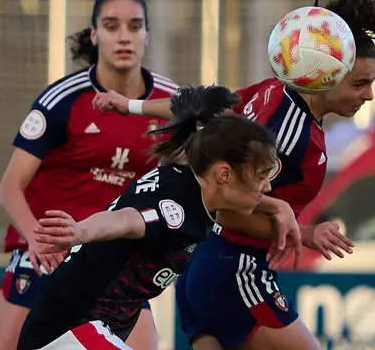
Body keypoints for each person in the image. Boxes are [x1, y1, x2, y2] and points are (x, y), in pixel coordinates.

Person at [94, 0, 375, 350]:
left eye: (372, 82)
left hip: (205, 271)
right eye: (359, 83)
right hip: (235, 272)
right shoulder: (292, 135)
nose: (369, 95)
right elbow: (224, 210)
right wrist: (305, 233)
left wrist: (133, 107)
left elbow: (205, 107)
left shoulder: (275, 92)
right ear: (324, 75)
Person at [15, 84, 295, 350]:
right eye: (260, 177)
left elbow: (190, 112)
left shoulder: (193, 181)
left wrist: (276, 208)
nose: (267, 186)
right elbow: (127, 219)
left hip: (91, 329)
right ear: (223, 174)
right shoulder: (176, 209)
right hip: (67, 330)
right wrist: (80, 232)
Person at [0, 0, 180, 350]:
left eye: (135, 26)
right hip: (48, 255)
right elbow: (9, 188)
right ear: (94, 34)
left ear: (147, 35)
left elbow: (203, 169)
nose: (124, 36)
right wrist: (39, 243)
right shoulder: (64, 99)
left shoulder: (170, 103)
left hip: (115, 263)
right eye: (111, 25)